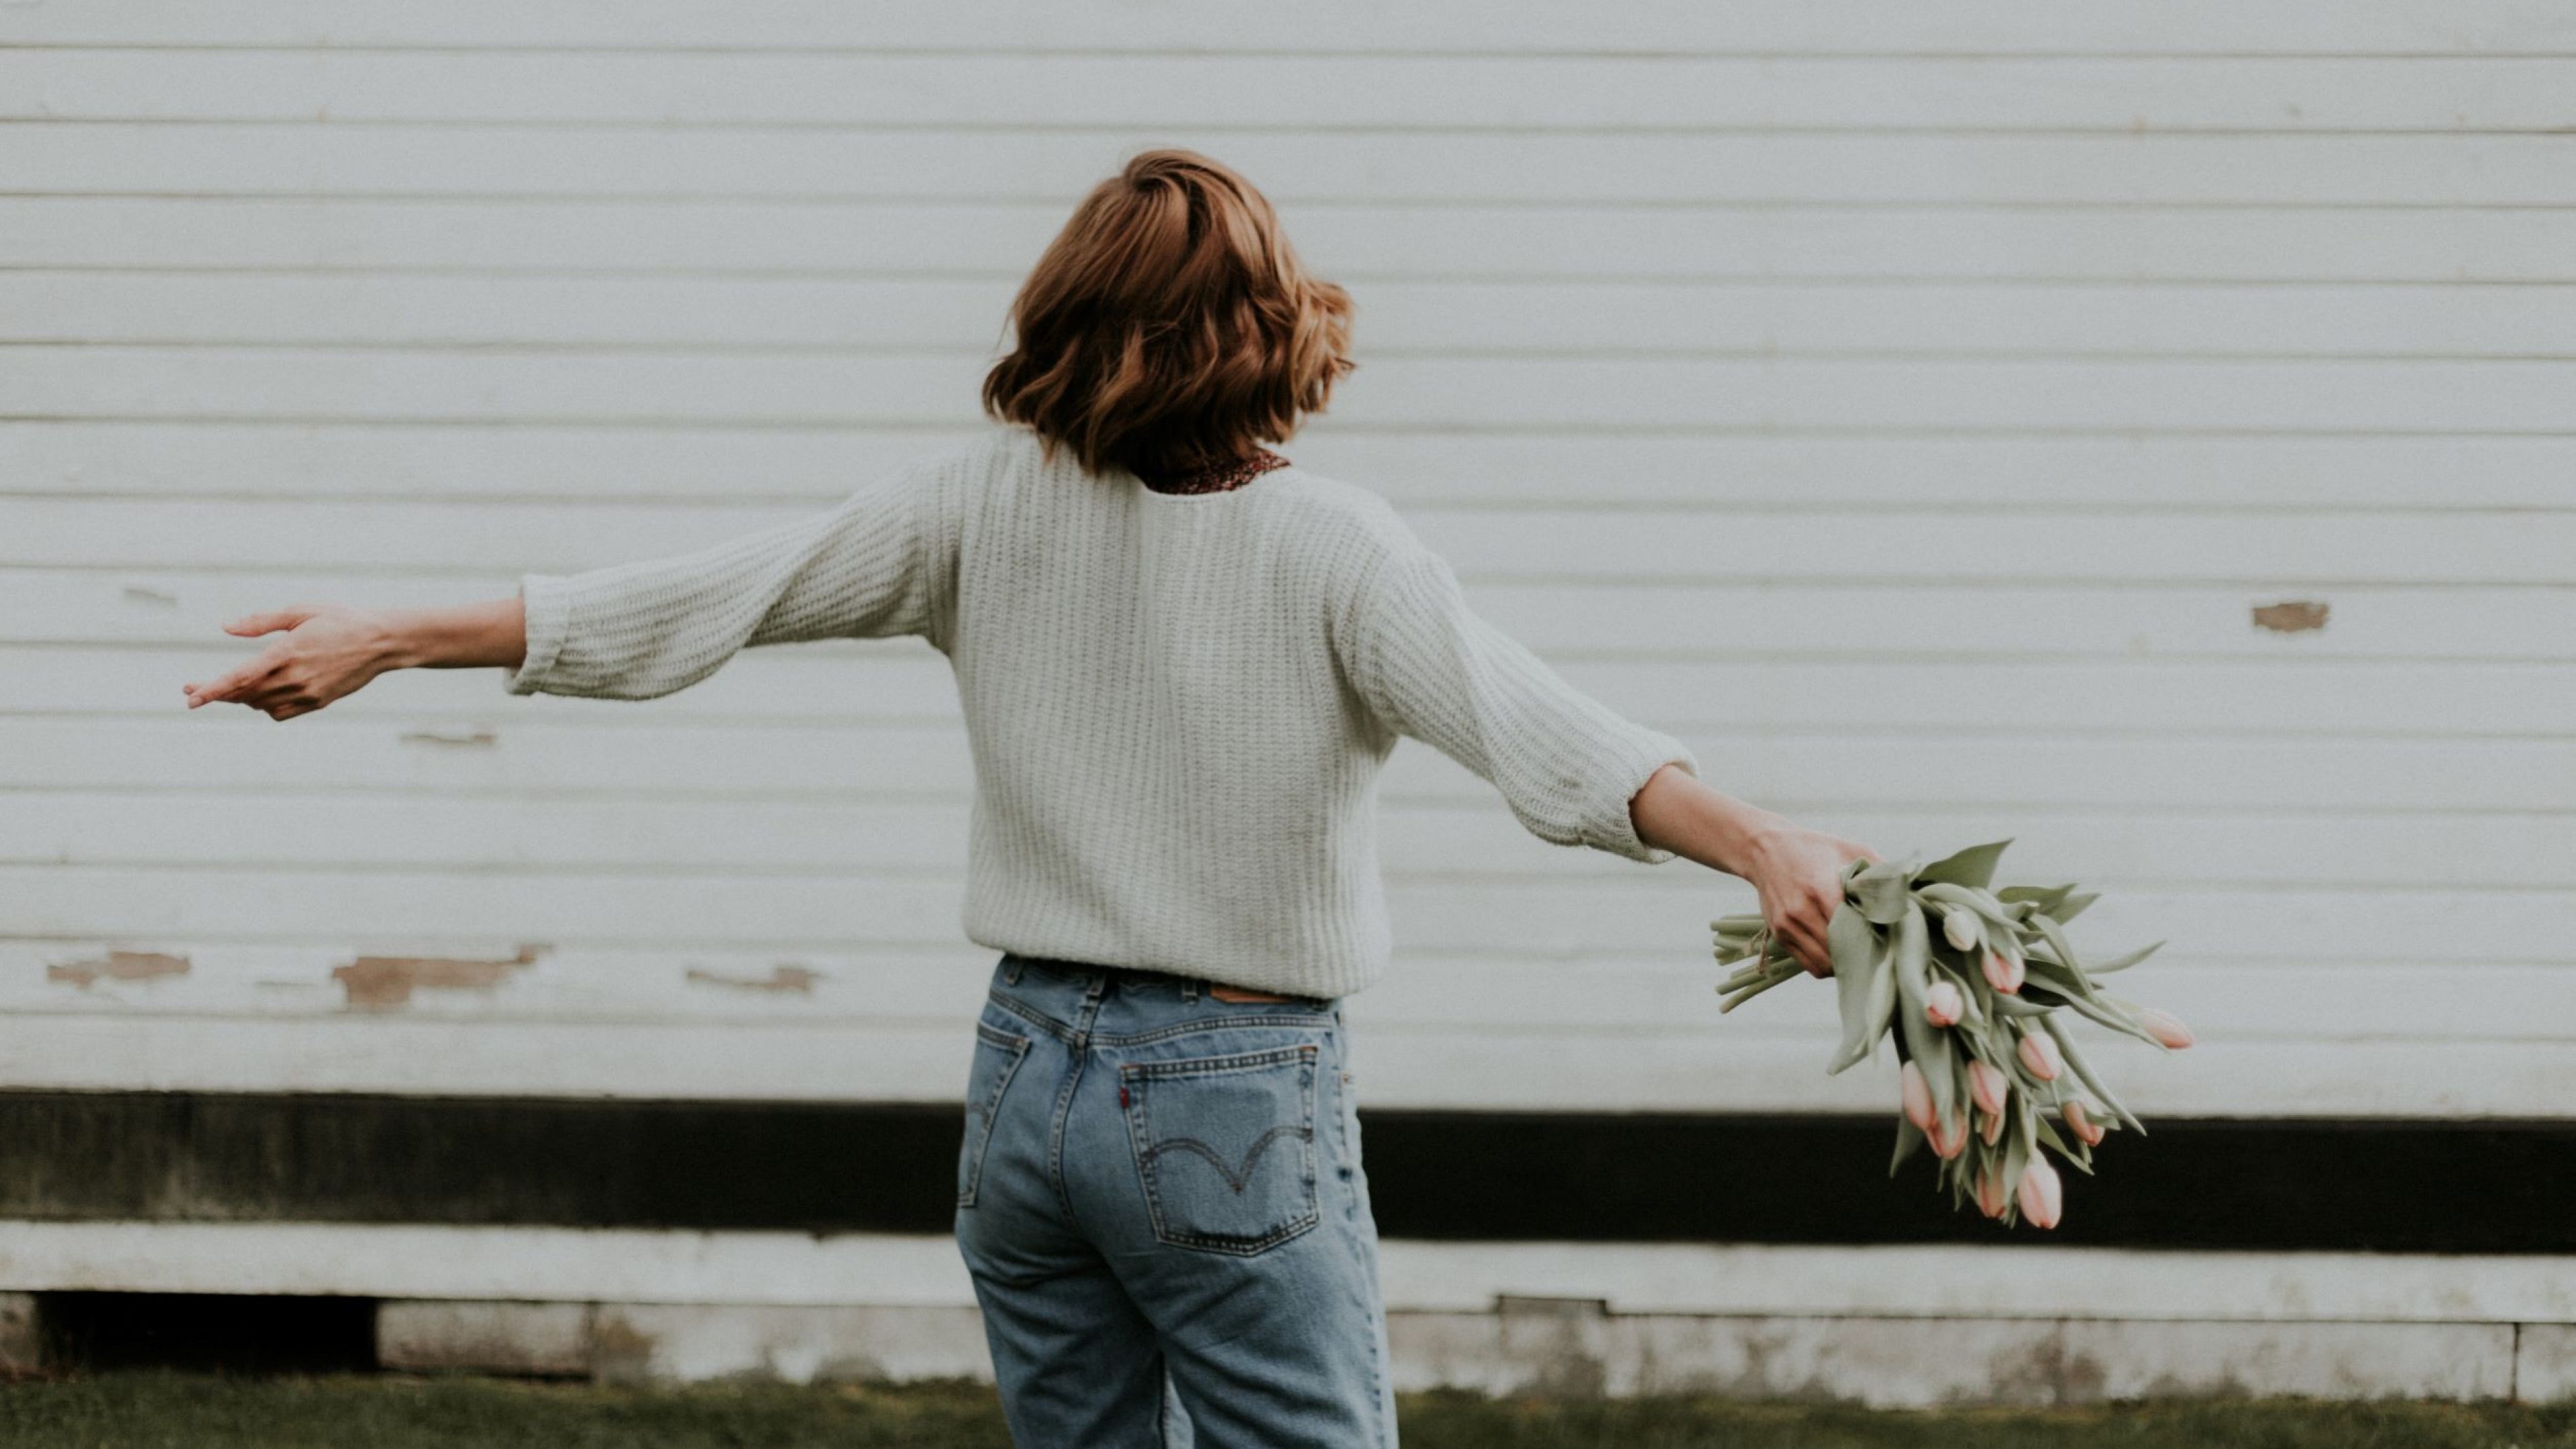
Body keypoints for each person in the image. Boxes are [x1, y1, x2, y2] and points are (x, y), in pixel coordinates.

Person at [180, 149, 1872, 1448]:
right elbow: (1555, 743)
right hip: (1228, 1092)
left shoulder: (982, 504)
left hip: (1024, 1087)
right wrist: (1763, 842)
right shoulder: (1336, 550)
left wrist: (393, 634)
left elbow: (706, 598)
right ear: (1276, 328)